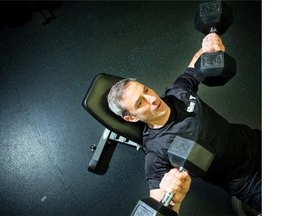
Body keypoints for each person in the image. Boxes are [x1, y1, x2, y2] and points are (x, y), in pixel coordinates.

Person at [107, 33, 261, 214]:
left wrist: (208, 45)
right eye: (140, 103)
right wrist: (173, 199)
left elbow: (193, 64)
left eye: (146, 89)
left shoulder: (178, 92)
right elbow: (159, 206)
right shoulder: (155, 152)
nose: (153, 99)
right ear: (131, 118)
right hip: (247, 181)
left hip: (253, 139)